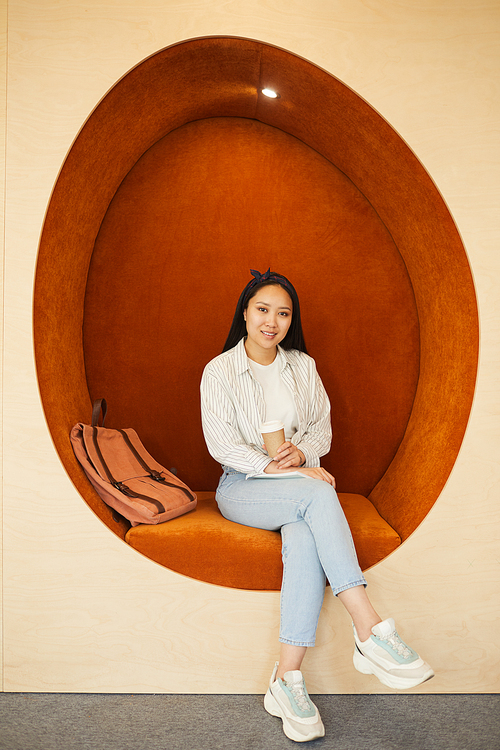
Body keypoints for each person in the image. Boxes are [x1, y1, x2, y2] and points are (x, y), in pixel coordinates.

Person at [200, 268, 433, 743]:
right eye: (263, 310)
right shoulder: (218, 370)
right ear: (245, 313)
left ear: (291, 321)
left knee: (305, 532)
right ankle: (369, 630)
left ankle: (287, 680)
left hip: (295, 487)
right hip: (241, 486)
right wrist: (285, 470)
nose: (272, 322)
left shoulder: (302, 366)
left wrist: (304, 453)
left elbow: (322, 428)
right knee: (317, 491)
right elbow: (221, 445)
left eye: (283, 313)